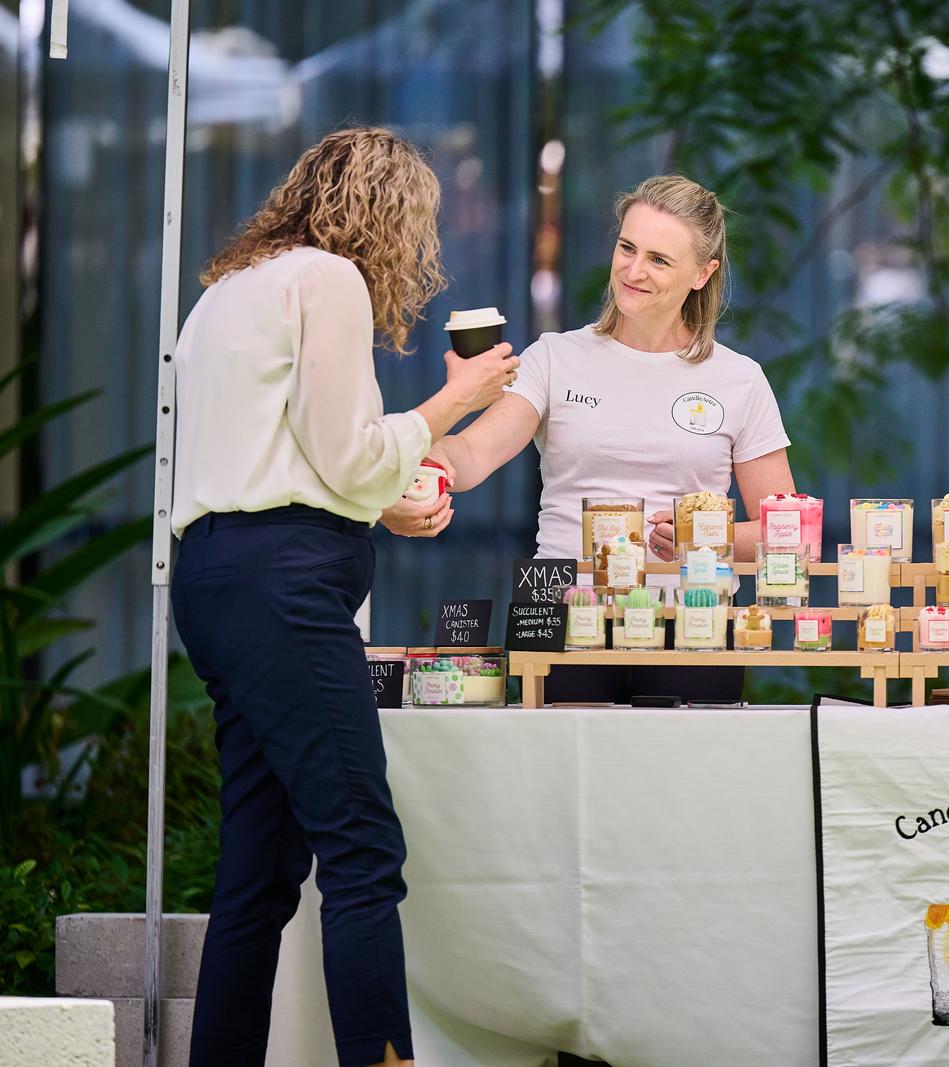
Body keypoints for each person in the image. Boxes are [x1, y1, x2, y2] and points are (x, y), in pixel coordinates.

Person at [169, 127, 519, 1067]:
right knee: (362, 845)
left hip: (218, 577)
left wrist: (381, 503)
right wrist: (457, 399)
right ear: (387, 214)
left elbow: (305, 459)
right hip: (285, 586)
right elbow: (348, 453)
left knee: (261, 870)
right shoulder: (328, 279)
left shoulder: (226, 292)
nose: (417, 251)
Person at [432, 174, 797, 702]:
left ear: (703, 273)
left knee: (688, 784)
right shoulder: (554, 358)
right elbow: (470, 456)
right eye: (627, 248)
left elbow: (785, 531)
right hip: (563, 613)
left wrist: (704, 538)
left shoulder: (738, 378)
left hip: (694, 619)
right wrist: (422, 447)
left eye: (659, 260)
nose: (633, 270)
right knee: (565, 779)